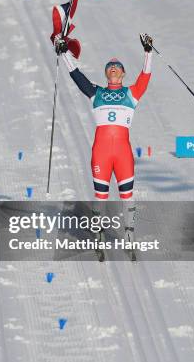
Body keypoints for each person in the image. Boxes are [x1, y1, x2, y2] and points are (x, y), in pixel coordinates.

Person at [54, 34, 153, 261]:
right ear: (106, 73)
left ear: (123, 73)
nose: (114, 69)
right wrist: (63, 51)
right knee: (101, 196)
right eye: (110, 67)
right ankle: (98, 232)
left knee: (127, 195)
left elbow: (145, 77)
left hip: (123, 153)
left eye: (117, 67)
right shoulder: (96, 92)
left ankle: (129, 235)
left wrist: (148, 52)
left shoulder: (131, 93)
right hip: (101, 152)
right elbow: (77, 76)